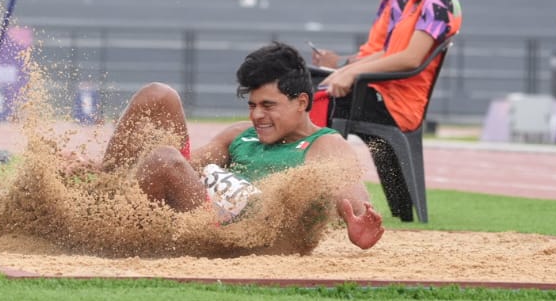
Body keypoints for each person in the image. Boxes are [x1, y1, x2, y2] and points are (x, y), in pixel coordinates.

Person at [98, 42, 384, 250]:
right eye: (252, 105)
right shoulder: (240, 134)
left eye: (268, 106)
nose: (257, 115)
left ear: (301, 102)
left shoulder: (325, 145)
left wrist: (360, 223)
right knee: (158, 95)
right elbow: (187, 168)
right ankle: (100, 192)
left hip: (235, 239)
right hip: (195, 215)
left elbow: (354, 199)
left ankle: (100, 231)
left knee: (163, 159)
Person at [322, 0, 462, 132]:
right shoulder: (416, 0)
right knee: (317, 92)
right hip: (384, 93)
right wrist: (344, 71)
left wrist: (352, 73)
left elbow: (411, 59)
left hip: (397, 106)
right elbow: (388, 52)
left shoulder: (439, 0)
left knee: (314, 104)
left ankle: (314, 156)